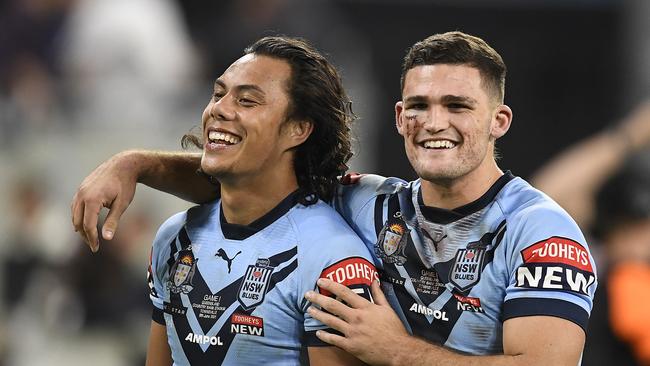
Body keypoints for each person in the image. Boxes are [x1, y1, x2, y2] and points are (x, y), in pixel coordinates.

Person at [72, 32, 596, 365]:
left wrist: (396, 352)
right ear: (398, 118)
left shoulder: (541, 233)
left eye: (457, 105)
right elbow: (254, 180)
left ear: (497, 122)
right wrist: (133, 165)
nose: (434, 121)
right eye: (419, 104)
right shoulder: (371, 205)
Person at [86, 36, 377, 366]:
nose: (219, 110)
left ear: (298, 129)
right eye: (218, 94)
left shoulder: (330, 257)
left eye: (247, 101)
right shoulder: (175, 237)